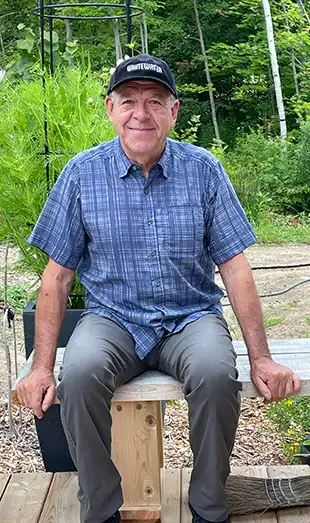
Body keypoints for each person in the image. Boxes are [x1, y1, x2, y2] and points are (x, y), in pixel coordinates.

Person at [16, 54, 301, 523]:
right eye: (128, 101)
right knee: (81, 374)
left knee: (214, 374)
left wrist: (263, 358)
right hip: (113, 318)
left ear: (175, 110)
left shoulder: (204, 169)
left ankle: (209, 507)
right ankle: (102, 510)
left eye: (155, 101)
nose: (140, 114)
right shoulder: (81, 174)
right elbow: (57, 275)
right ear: (110, 108)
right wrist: (41, 368)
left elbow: (235, 267)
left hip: (190, 317)